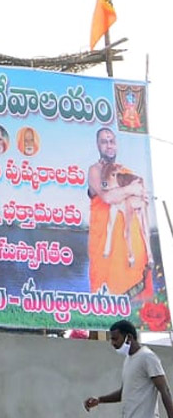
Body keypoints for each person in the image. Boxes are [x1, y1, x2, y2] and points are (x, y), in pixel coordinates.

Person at [88, 126, 151, 296]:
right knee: (104, 310)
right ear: (97, 145)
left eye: (112, 141)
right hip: (106, 254)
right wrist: (131, 189)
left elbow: (142, 201)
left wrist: (138, 194)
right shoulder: (95, 171)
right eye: (104, 142)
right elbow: (108, 198)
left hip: (132, 255)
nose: (109, 145)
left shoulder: (126, 171)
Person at [83, 318, 173, 418]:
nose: (113, 343)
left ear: (129, 337)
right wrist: (100, 399)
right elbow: (124, 392)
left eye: (115, 339)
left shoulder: (147, 357)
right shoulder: (129, 360)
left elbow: (165, 390)